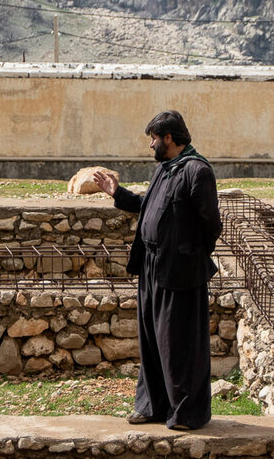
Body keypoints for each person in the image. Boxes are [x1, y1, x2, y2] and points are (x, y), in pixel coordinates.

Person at [93, 110, 222, 430]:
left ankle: (187, 413)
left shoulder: (197, 171)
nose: (150, 145)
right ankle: (153, 406)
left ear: (169, 138)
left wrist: (187, 255)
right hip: (152, 268)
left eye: (153, 138)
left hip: (180, 272)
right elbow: (148, 206)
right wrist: (116, 193)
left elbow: (211, 225)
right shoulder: (166, 169)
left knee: (178, 342)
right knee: (152, 339)